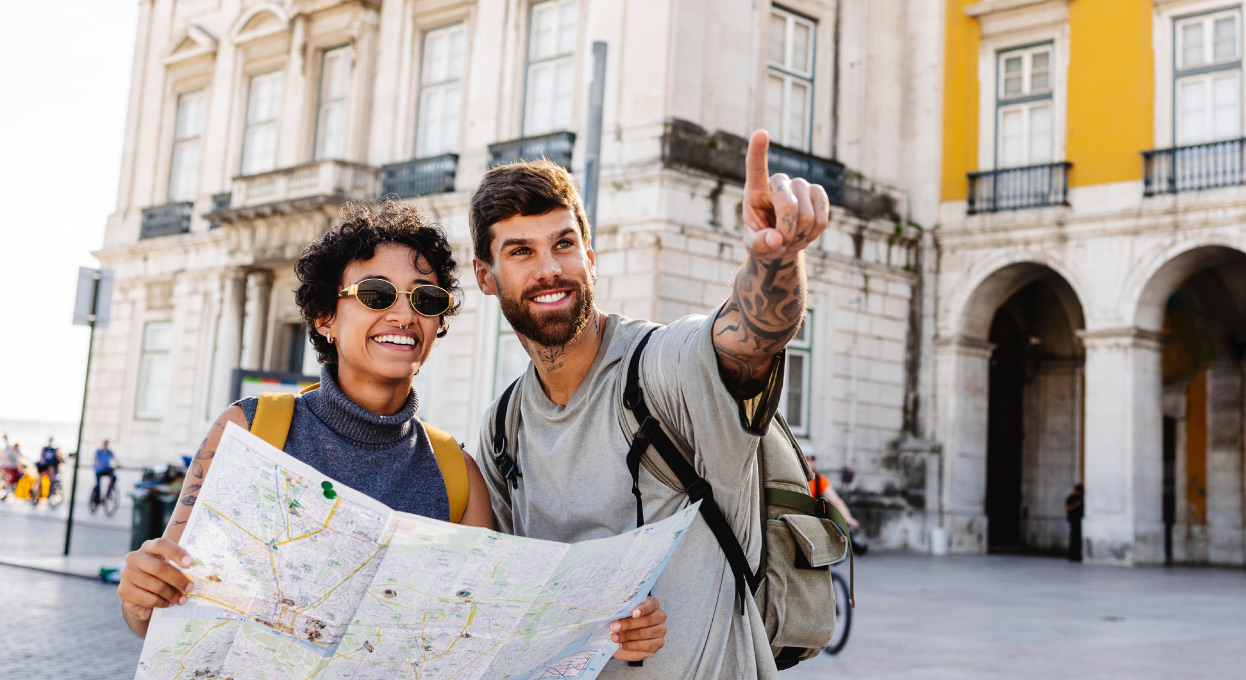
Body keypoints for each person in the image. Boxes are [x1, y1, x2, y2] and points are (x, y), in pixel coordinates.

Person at [116, 201, 668, 661]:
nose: (404, 314)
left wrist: (608, 631)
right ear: (325, 317)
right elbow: (164, 610)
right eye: (377, 294)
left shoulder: (458, 473)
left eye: (425, 300)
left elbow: (492, 638)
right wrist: (142, 595)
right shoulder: (251, 431)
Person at [470, 129, 828, 678]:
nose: (549, 269)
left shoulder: (664, 368)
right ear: (485, 278)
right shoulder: (503, 428)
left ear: (589, 257)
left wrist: (777, 261)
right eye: (521, 251)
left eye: (564, 244)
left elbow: (751, 336)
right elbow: (511, 600)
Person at [1065, 483, 1084, 562]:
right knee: (1073, 537)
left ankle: (1077, 555)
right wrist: (1076, 505)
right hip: (1073, 520)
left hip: (1079, 520)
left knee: (1078, 538)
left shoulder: (1081, 498)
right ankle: (1072, 555)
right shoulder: (1071, 498)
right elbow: (1067, 508)